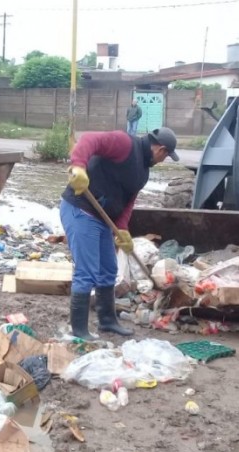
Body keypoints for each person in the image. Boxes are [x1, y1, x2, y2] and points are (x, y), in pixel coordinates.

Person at [61, 127, 179, 339]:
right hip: (81, 209)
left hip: (103, 219)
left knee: (108, 268)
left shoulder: (143, 171)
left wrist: (122, 228)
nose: (164, 160)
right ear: (161, 149)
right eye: (166, 156)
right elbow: (89, 139)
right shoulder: (124, 144)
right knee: (87, 272)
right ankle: (79, 330)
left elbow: (128, 202)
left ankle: (107, 321)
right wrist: (78, 166)